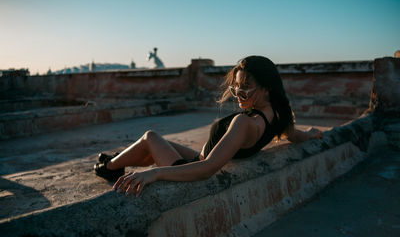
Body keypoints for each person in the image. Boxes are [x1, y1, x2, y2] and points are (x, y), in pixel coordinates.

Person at [94, 56, 322, 196]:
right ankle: (114, 164)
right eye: (236, 87)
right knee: (156, 143)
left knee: (150, 136)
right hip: (199, 157)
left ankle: (110, 166)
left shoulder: (244, 122)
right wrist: (311, 135)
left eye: (246, 87)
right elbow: (295, 135)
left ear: (267, 88)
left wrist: (156, 174)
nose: (238, 94)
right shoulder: (279, 115)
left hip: (192, 166)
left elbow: (208, 168)